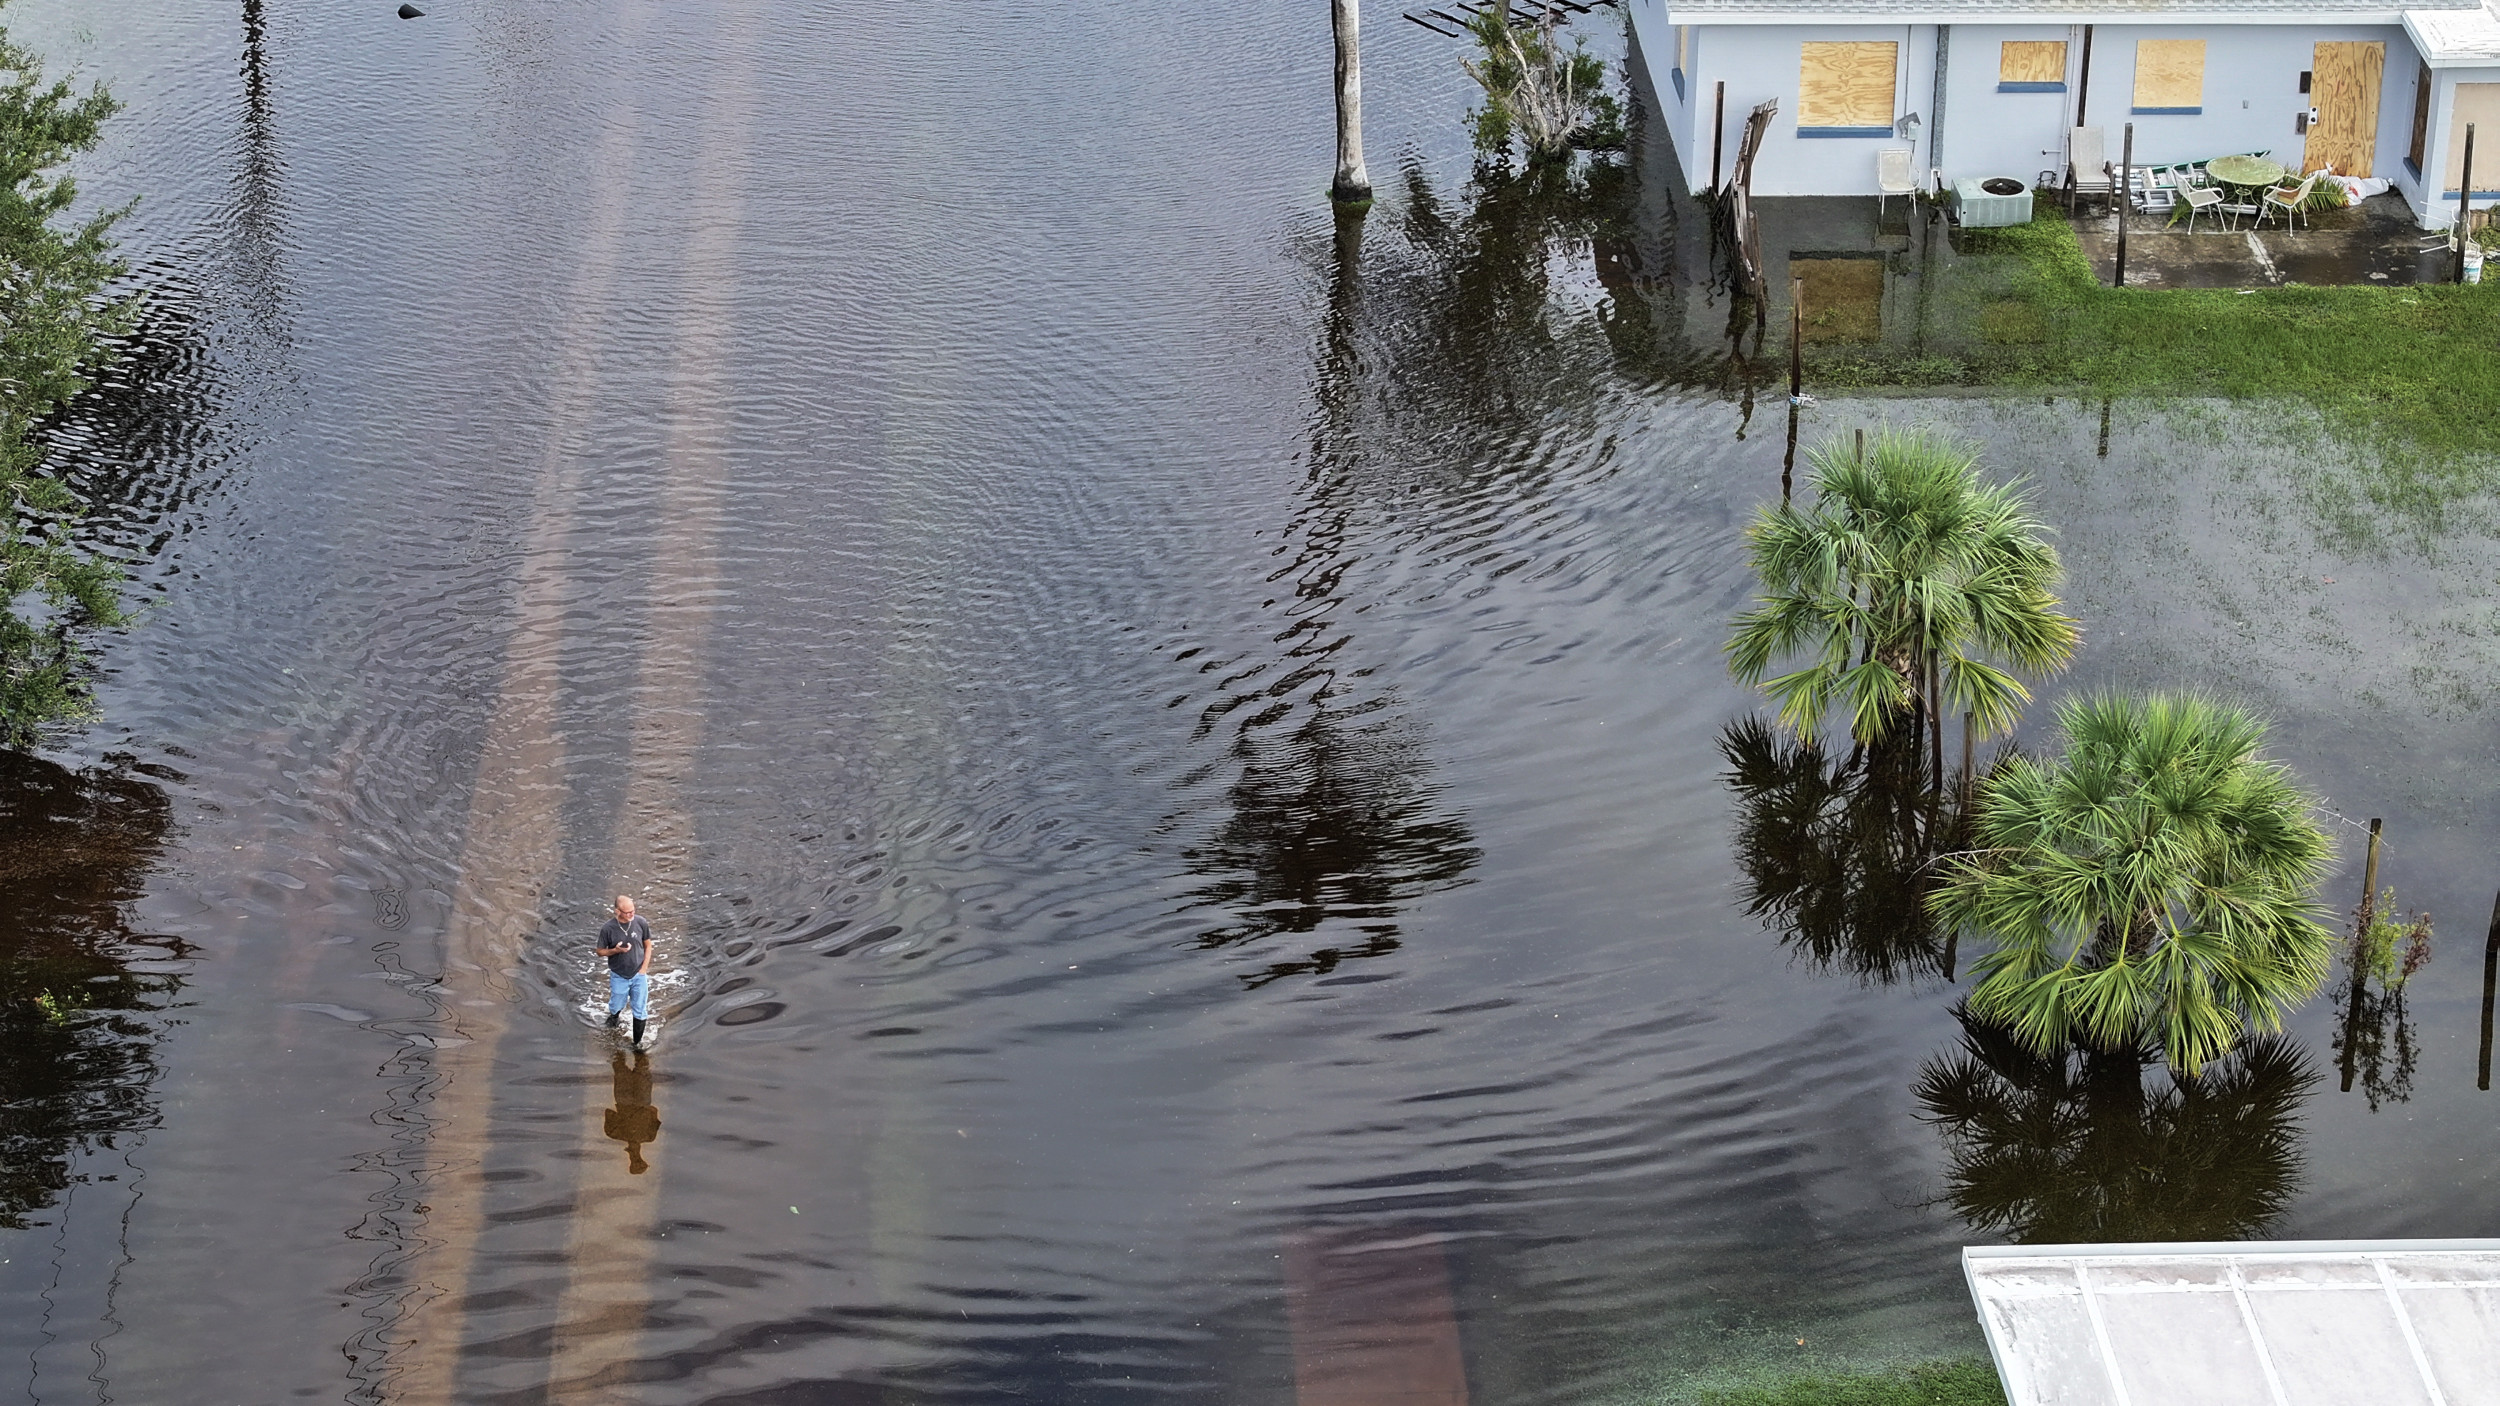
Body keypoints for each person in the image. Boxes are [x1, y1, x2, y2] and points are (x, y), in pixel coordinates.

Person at [596, 894, 655, 1047]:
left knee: (640, 1010)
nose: (631, 915)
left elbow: (648, 945)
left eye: (633, 911)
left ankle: (637, 1044)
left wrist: (644, 968)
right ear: (617, 911)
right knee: (616, 1004)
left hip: (638, 974)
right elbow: (600, 951)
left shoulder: (641, 922)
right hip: (619, 975)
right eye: (627, 912)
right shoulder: (608, 929)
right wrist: (615, 951)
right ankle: (614, 1016)